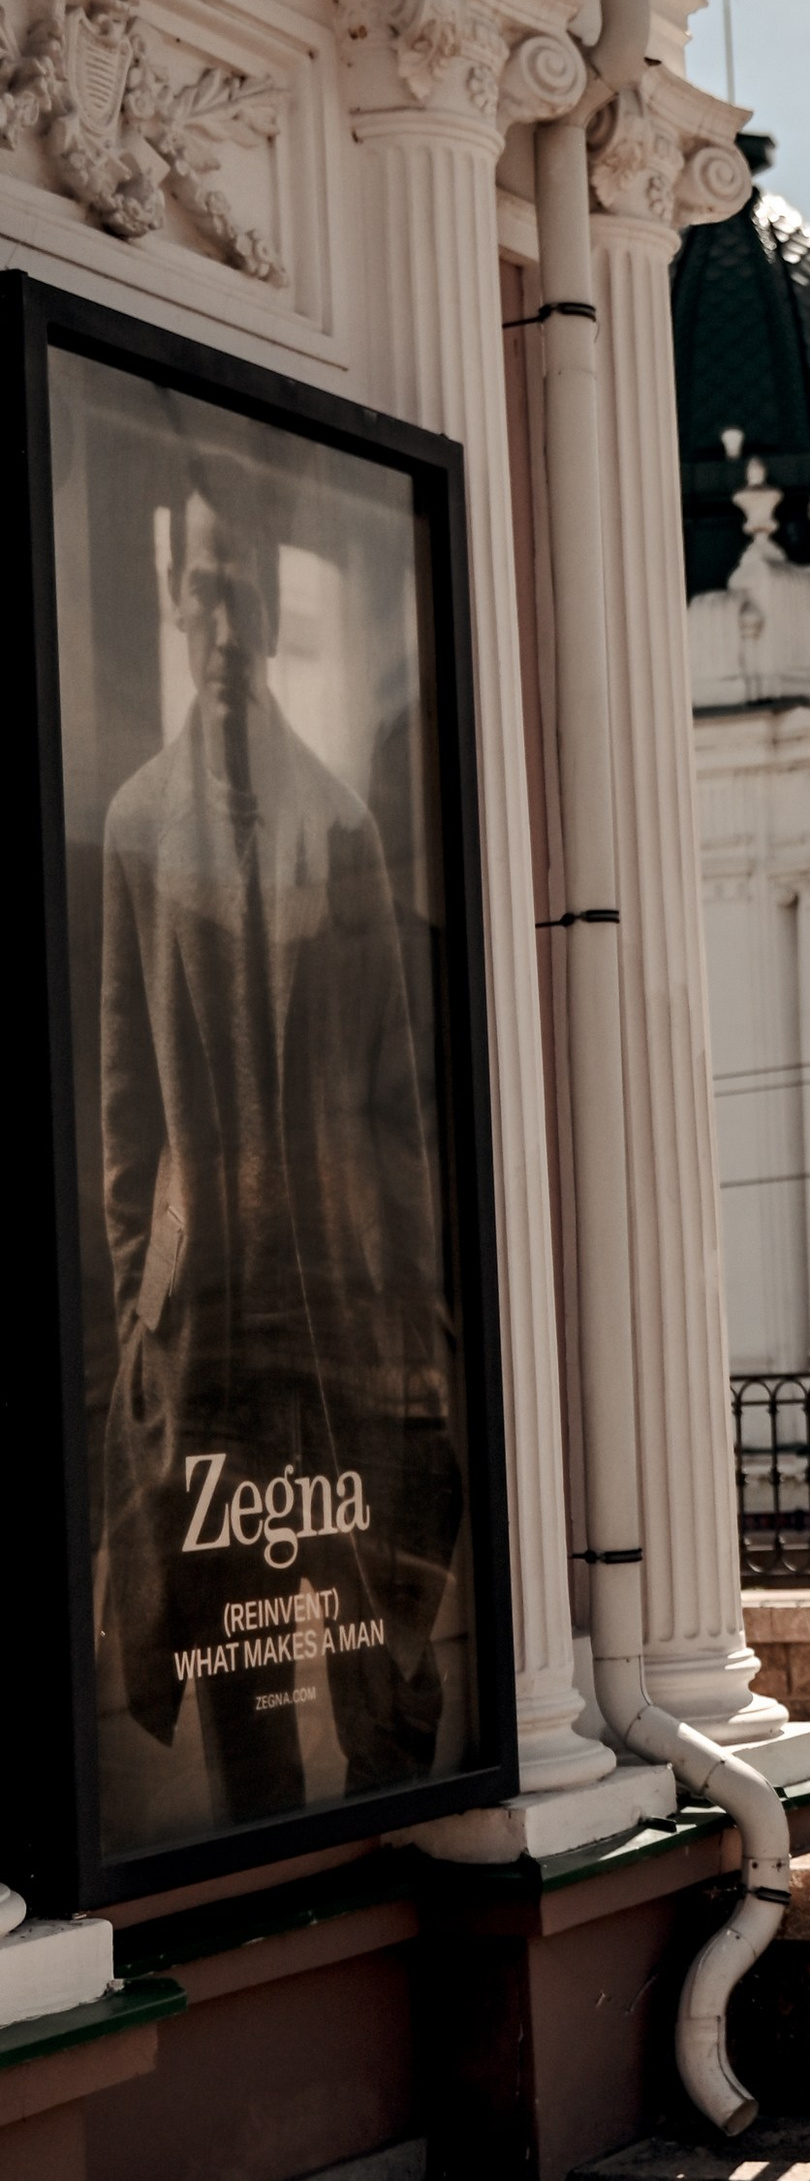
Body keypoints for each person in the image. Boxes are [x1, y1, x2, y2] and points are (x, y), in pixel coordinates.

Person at [98, 486, 457, 1826]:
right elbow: (124, 1110)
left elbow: (395, 1108)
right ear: (177, 604)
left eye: (241, 589)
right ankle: (262, 1841)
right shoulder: (138, 821)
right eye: (200, 590)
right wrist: (150, 1283)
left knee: (376, 1617)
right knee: (225, 1621)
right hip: (208, 1312)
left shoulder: (341, 828)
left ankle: (376, 1819)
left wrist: (407, 1290)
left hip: (344, 1300)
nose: (222, 619)